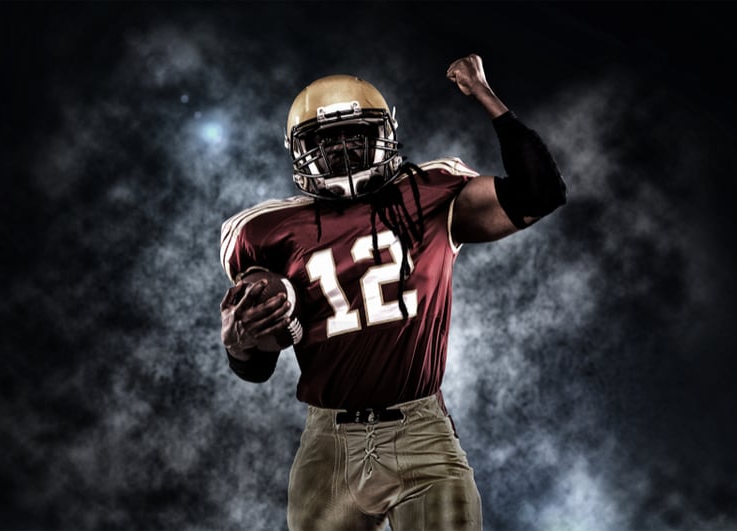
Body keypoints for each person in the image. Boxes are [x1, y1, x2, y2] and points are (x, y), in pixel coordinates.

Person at [218, 54, 566, 531]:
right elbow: (257, 367)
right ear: (301, 150)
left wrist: (486, 97)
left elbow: (540, 194)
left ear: (382, 135)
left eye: (355, 135)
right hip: (329, 444)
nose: (342, 150)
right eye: (327, 140)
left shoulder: (429, 192)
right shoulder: (266, 230)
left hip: (420, 430)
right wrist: (238, 345)